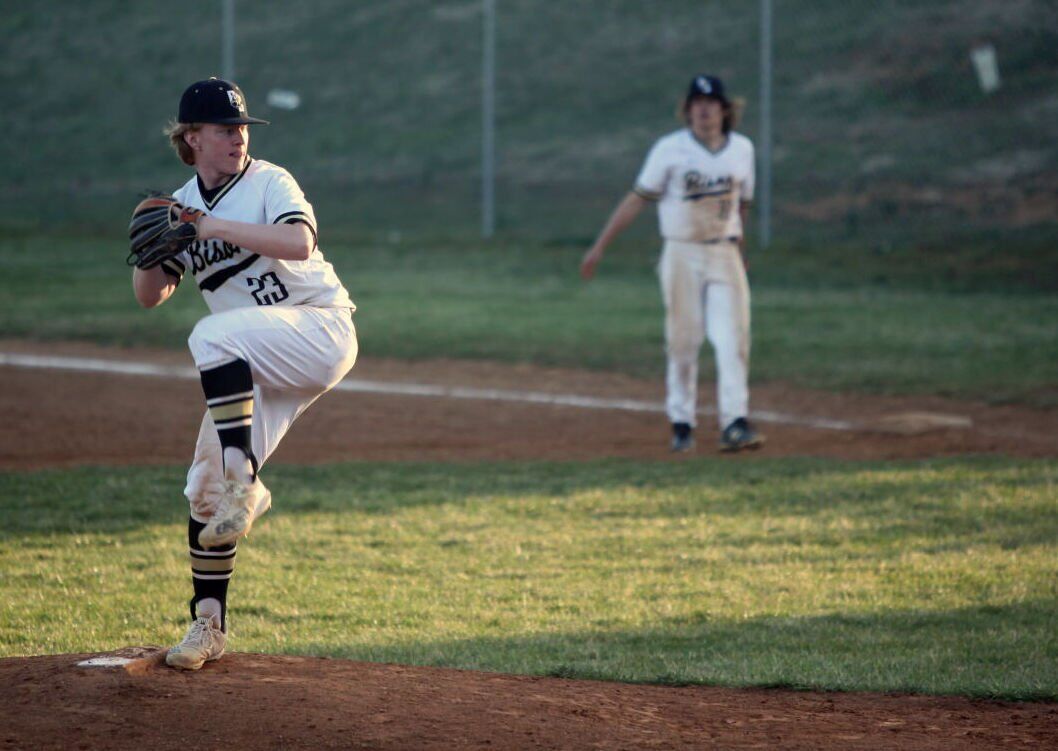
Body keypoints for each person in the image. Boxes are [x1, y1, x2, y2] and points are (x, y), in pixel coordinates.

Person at [132, 78, 358, 670]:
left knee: (210, 334)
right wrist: (154, 249)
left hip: (318, 329)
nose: (237, 138)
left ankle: (246, 479)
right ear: (191, 139)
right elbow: (150, 295)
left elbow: (299, 241)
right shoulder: (180, 203)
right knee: (204, 489)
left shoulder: (268, 181)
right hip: (253, 362)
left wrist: (210, 227)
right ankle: (207, 626)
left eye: (241, 129)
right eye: (223, 129)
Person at [580, 74, 763, 453]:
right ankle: (682, 423)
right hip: (681, 252)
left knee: (734, 339)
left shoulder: (742, 149)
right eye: (696, 103)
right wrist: (600, 246)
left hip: (724, 252)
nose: (703, 109)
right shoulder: (670, 149)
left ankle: (735, 423)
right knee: (684, 339)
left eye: (710, 103)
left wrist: (740, 249)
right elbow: (637, 199)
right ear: (687, 110)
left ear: (725, 110)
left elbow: (741, 204)